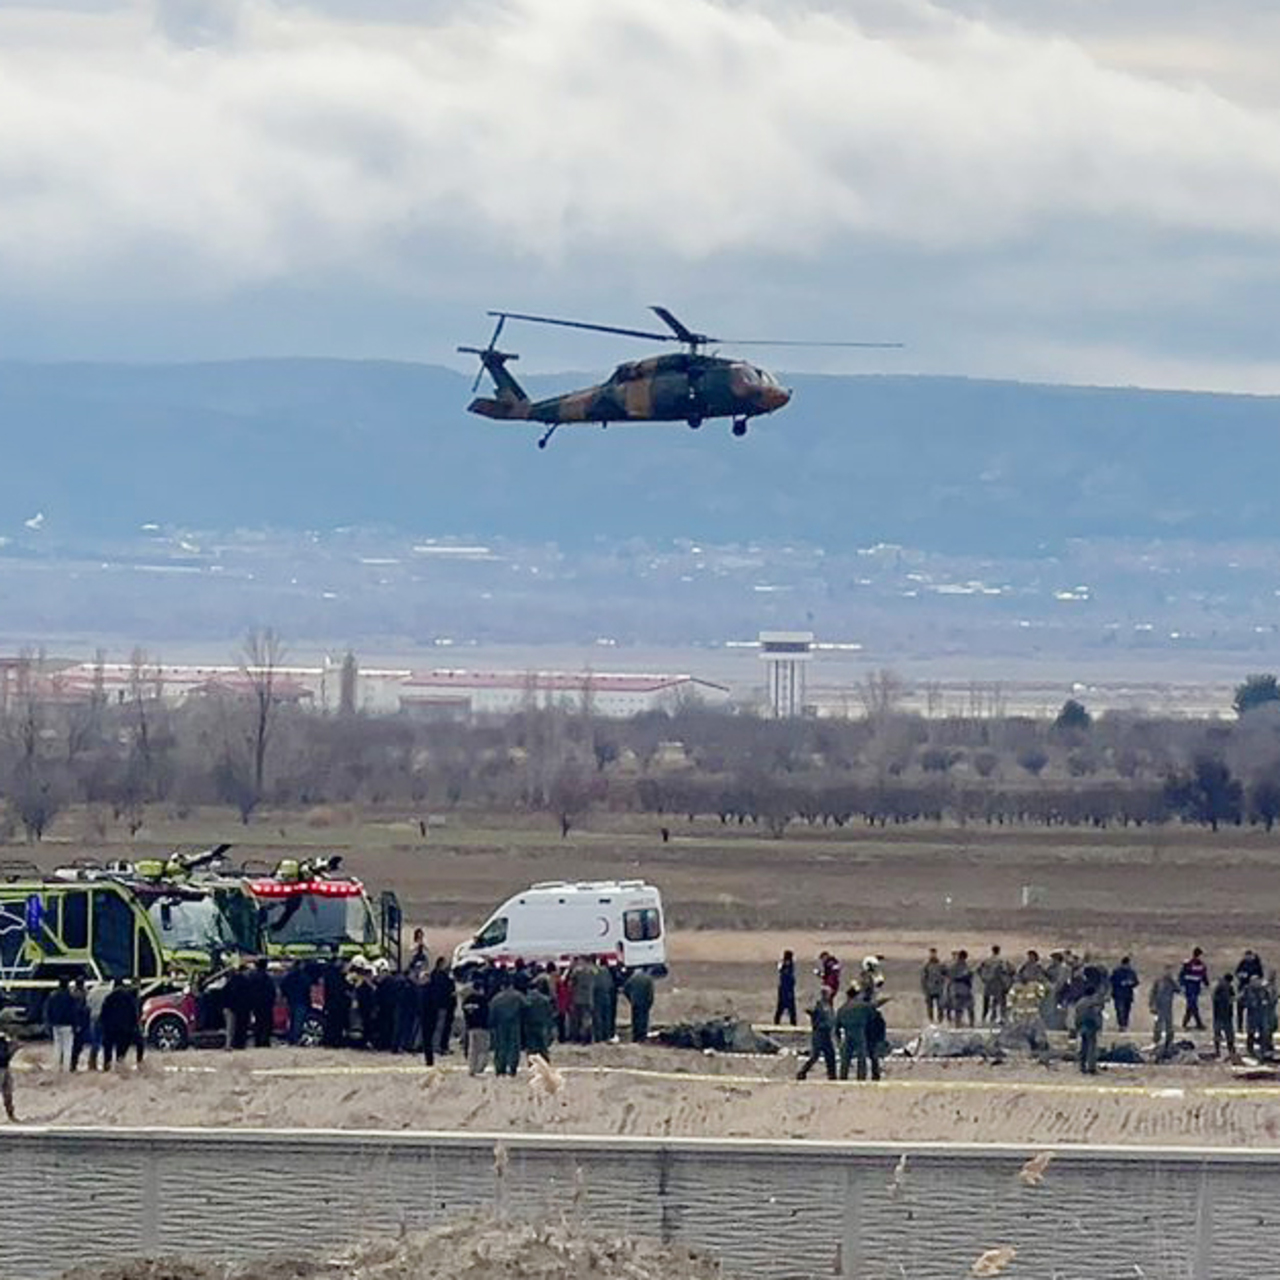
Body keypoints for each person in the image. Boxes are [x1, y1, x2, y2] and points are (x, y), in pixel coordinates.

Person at [836, 988, 883, 1082]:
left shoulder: (842, 1008)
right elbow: (873, 1017)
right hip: (860, 1032)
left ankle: (843, 1077)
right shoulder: (864, 1006)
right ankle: (861, 1078)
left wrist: (838, 1040)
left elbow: (837, 1025)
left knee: (845, 1058)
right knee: (861, 1057)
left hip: (848, 1033)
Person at [488, 977, 526, 1078]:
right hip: (514, 1024)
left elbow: (492, 1012)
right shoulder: (518, 996)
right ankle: (512, 1068)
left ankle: (500, 1068)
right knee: (514, 1046)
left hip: (500, 1025)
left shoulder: (496, 998)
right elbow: (526, 1007)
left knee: (500, 1046)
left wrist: (491, 1025)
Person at [100, 978, 143, 1070]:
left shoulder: (109, 997)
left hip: (110, 1030)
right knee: (121, 1054)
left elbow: (103, 1014)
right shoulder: (128, 998)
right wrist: (135, 1026)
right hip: (124, 1030)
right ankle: (119, 1069)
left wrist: (103, 1027)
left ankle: (107, 1068)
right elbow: (133, 1014)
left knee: (108, 1052)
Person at [796, 988, 837, 1081]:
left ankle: (832, 1074)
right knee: (815, 1055)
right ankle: (802, 1071)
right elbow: (811, 1011)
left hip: (826, 1033)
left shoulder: (828, 1005)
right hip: (819, 1033)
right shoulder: (819, 1005)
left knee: (830, 1054)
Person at [46, 976, 78, 1072]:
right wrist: (75, 1024)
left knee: (57, 1046)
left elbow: (48, 1010)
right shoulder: (70, 997)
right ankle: (66, 1068)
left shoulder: (53, 996)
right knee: (67, 1047)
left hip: (56, 1024)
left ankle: (56, 1067)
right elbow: (74, 1012)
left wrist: (50, 1023)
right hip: (68, 1025)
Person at [460, 978, 491, 1076]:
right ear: (481, 989)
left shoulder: (467, 1000)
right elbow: (487, 1013)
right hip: (482, 1027)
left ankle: (471, 1068)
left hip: (470, 1027)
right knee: (483, 1049)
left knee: (472, 1050)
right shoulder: (483, 1000)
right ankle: (480, 1069)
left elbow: (464, 1012)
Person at [522, 978, 556, 1060]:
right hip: (542, 1024)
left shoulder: (526, 999)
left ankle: (532, 1063)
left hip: (529, 1025)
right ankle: (545, 1062)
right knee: (543, 1046)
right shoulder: (545, 999)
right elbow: (550, 1012)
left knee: (531, 1046)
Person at [1074, 985, 1105, 1075]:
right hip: (1091, 1026)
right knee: (1091, 1047)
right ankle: (1091, 1067)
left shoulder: (1079, 1003)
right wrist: (1099, 1026)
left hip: (1082, 1026)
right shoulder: (1093, 1003)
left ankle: (1082, 1066)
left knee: (1083, 1047)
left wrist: (1077, 1027)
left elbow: (1076, 1016)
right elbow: (1095, 1015)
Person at [978, 946, 1012, 1024]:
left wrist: (984, 978)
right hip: (998, 983)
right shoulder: (1002, 961)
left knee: (987, 1001)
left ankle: (985, 1017)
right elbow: (1008, 971)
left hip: (989, 983)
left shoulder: (987, 961)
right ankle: (1001, 1017)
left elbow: (979, 970)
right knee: (1001, 1001)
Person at [281, 960, 311, 1046]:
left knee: (292, 1020)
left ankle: (291, 1038)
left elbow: (283, 986)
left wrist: (286, 996)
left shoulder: (289, 976)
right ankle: (296, 1038)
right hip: (301, 1001)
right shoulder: (304, 977)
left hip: (292, 1001)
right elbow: (307, 990)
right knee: (298, 1021)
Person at [321, 955, 350, 1048]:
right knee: (336, 1024)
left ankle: (331, 1041)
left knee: (331, 1023)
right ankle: (334, 1041)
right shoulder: (336, 975)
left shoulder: (329, 974)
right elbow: (339, 990)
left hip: (332, 1004)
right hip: (337, 1005)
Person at [248, 957, 276, 1049]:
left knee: (258, 1022)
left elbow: (250, 991)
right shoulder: (267, 978)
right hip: (266, 1004)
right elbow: (272, 991)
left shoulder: (252, 977)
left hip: (256, 1004)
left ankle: (258, 1040)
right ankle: (265, 1041)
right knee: (266, 1023)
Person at [1149, 965, 1178, 1056]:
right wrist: (1152, 1005)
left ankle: (1169, 1041)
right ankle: (1156, 1040)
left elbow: (1178, 989)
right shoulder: (1158, 981)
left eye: (1170, 971)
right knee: (1158, 1024)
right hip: (1159, 1007)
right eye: (1167, 971)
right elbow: (1152, 993)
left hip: (1168, 1007)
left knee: (1169, 1024)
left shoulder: (1171, 982)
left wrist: (1173, 981)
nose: (1168, 973)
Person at [622, 968, 655, 1043]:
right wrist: (649, 1003)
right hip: (644, 1002)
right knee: (643, 1020)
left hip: (635, 1002)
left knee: (635, 1019)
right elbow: (650, 992)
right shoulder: (648, 978)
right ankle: (642, 1037)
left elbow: (625, 989)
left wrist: (630, 998)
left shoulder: (632, 978)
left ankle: (635, 1037)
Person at [1179, 947, 1209, 1030]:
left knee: (1191, 1006)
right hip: (1190, 988)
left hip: (1194, 988)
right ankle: (1197, 1024)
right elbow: (1182, 975)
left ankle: (1186, 1023)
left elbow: (1203, 976)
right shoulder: (1190, 964)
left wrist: (1206, 984)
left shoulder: (1197, 965)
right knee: (1193, 1005)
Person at [1236, 950, 1264, 1032]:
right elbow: (1237, 972)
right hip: (1242, 987)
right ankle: (1240, 1027)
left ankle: (1252, 1027)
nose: (1247, 957)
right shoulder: (1243, 963)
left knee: (1252, 1011)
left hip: (1252, 990)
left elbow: (1260, 975)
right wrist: (1241, 975)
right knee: (1240, 1010)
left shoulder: (1256, 964)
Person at [568, 958, 596, 1043]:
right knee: (587, 1019)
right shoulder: (593, 970)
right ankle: (587, 1038)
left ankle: (577, 1038)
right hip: (588, 998)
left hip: (577, 999)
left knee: (577, 1020)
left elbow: (570, 984)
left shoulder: (576, 971)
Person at [1109, 957, 1139, 1032]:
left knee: (1127, 1010)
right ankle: (1121, 1025)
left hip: (1128, 995)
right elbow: (1111, 981)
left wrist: (1131, 983)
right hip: (1118, 994)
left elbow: (1136, 982)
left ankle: (1125, 1025)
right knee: (1120, 1010)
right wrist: (1120, 983)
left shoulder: (1131, 972)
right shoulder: (1116, 972)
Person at [1212, 973, 1236, 1060]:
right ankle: (1228, 1050)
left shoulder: (1222, 987)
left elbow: (1232, 998)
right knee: (1227, 1034)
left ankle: (1220, 1051)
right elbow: (1231, 999)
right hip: (1223, 1015)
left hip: (1221, 1015)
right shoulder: (1222, 988)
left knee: (1220, 1034)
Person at [948, 950, 976, 1027]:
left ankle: (957, 1025)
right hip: (965, 989)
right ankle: (971, 1024)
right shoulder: (966, 966)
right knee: (970, 1008)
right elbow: (969, 976)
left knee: (958, 1009)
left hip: (955, 989)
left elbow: (950, 977)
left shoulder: (953, 966)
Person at [591, 962, 616, 1044]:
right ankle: (607, 1036)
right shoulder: (606, 971)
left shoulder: (594, 971)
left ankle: (599, 1037)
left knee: (598, 1017)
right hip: (606, 997)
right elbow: (610, 984)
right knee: (606, 1017)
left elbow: (593, 985)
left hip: (598, 997)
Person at [70, 977, 91, 1071]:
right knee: (78, 1045)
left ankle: (71, 1064)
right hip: (81, 1022)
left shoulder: (72, 993)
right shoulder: (82, 994)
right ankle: (73, 1064)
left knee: (74, 1045)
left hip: (75, 1022)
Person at [920, 948, 945, 1023]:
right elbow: (923, 978)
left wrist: (942, 982)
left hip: (939, 989)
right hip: (929, 989)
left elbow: (945, 973)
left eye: (934, 953)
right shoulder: (926, 965)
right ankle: (931, 1020)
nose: (933, 955)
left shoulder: (940, 964)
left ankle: (940, 1020)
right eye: (931, 953)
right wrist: (924, 989)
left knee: (940, 1006)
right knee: (929, 1006)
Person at [775, 950, 797, 1026]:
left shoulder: (790, 965)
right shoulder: (785, 965)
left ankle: (791, 1023)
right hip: (785, 989)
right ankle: (777, 1023)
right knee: (783, 1007)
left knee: (788, 1008)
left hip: (786, 988)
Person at [0, 1030, 17, 1121]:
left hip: (5, 1067)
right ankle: (10, 1115)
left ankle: (11, 1114)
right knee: (7, 1092)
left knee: (8, 1093)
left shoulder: (4, 1040)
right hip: (2, 1067)